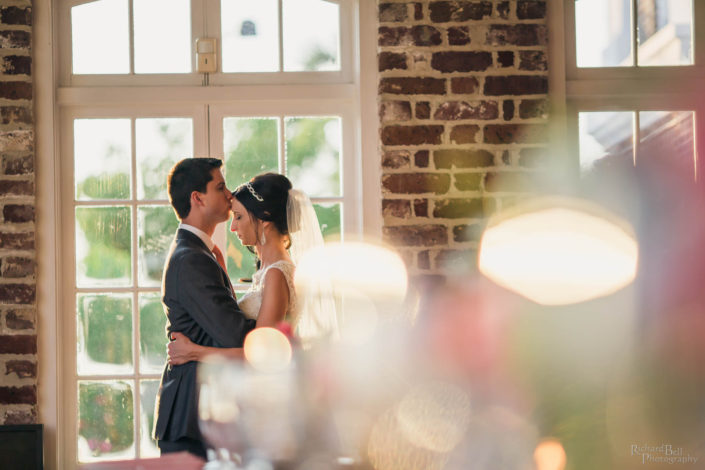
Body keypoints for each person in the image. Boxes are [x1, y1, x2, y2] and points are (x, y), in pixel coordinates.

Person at [168, 172, 337, 364]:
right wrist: (221, 265)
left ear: (264, 218)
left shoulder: (276, 274)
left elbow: (263, 353)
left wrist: (194, 352)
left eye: (238, 217)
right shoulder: (269, 271)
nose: (233, 227)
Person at [152, 158, 256, 459]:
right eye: (220, 187)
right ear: (197, 198)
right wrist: (280, 327)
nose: (230, 195)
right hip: (191, 415)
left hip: (201, 409)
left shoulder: (200, 253)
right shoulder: (192, 258)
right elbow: (235, 335)